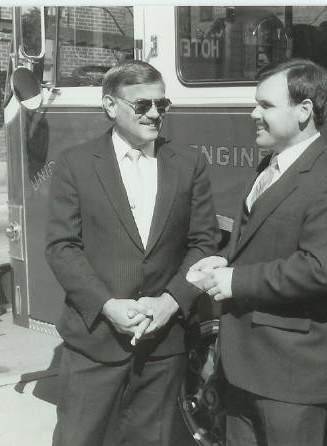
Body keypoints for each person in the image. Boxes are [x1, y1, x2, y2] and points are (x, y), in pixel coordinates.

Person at [45, 60, 219, 446]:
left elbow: (203, 243)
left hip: (163, 346)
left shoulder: (189, 164)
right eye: (142, 105)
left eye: (163, 104)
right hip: (95, 342)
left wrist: (170, 302)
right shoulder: (76, 164)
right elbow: (62, 247)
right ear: (110, 106)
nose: (155, 114)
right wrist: (107, 304)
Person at [189, 59, 327, 446]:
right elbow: (263, 244)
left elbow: (320, 270)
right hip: (244, 368)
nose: (254, 114)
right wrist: (226, 261)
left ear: (304, 111)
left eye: (266, 106)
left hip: (290, 377)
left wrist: (235, 279)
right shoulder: (269, 166)